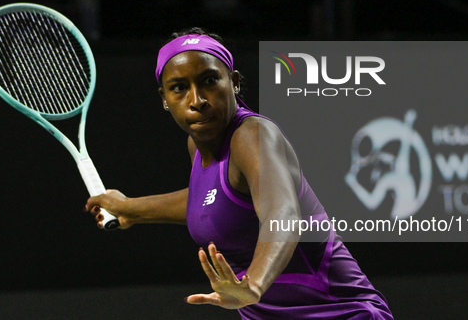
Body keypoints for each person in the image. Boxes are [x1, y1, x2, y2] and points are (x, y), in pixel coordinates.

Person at [84, 27, 393, 319]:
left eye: (209, 81)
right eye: (179, 88)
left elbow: (282, 213)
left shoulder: (253, 135)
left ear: (234, 82)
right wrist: (130, 209)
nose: (197, 101)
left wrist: (254, 286)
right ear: (164, 98)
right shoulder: (197, 145)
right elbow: (213, 199)